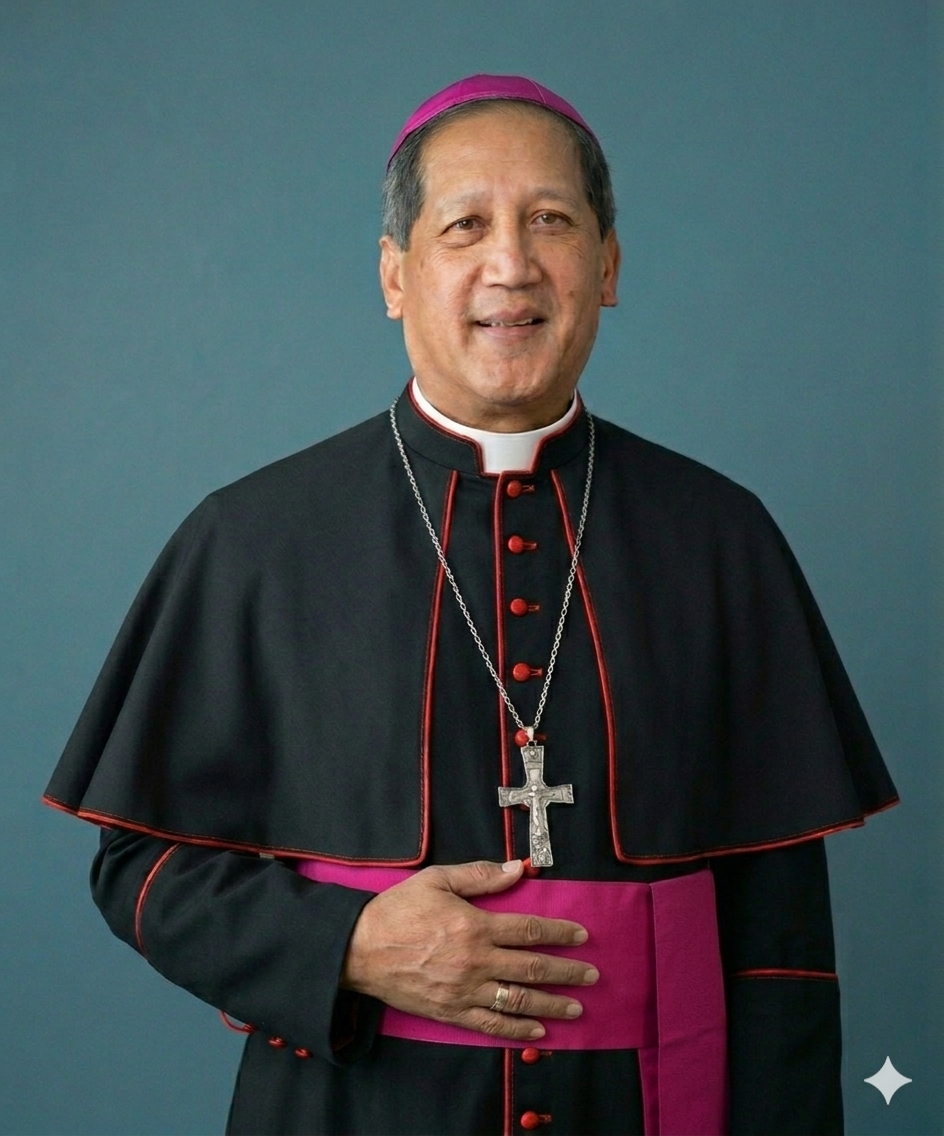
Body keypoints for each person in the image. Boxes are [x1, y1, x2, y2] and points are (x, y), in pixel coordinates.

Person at [44, 74, 898, 1136]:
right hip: (349, 1106)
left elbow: (781, 946)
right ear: (395, 275)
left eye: (551, 220)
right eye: (464, 225)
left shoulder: (719, 537)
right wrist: (346, 945)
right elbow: (139, 865)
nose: (511, 262)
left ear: (608, 264)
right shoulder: (254, 536)